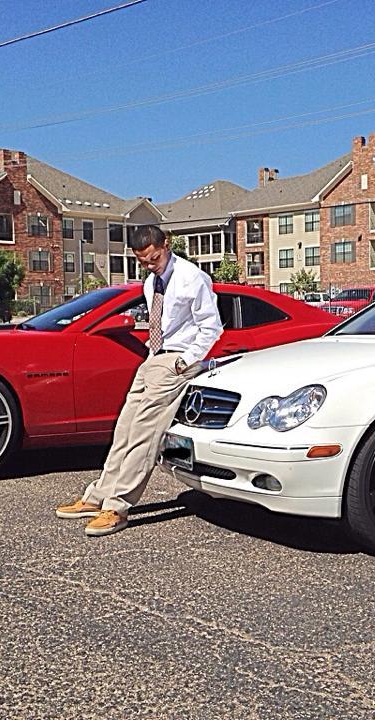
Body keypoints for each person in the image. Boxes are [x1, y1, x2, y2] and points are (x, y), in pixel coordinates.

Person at [55, 225, 223, 536]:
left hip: (176, 361)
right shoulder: (151, 282)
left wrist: (185, 361)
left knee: (144, 436)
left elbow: (211, 327)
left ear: (166, 245)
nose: (149, 265)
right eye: (143, 261)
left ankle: (117, 507)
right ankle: (97, 497)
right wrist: (153, 354)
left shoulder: (191, 277)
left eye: (154, 258)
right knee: (124, 431)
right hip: (153, 358)